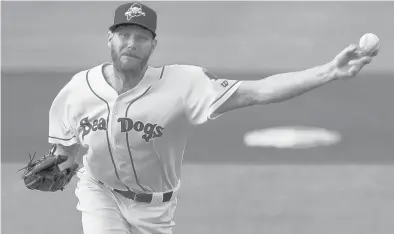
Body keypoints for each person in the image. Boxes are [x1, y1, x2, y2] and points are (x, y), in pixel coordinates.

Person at [47, 2, 377, 234]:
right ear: (110, 38)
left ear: (153, 45)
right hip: (99, 191)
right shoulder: (78, 91)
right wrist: (61, 164)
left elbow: (258, 91)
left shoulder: (183, 84)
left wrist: (329, 72)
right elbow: (65, 153)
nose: (131, 44)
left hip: (156, 208)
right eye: (124, 35)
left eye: (141, 37)